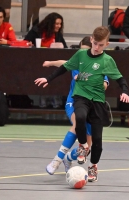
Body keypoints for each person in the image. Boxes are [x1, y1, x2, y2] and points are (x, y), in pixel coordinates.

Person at [35, 26, 129, 182]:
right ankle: (64, 156)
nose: (97, 48)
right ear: (92, 39)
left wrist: (124, 91)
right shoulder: (80, 56)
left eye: (101, 45)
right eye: (95, 44)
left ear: (106, 44)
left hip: (97, 102)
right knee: (79, 119)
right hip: (78, 99)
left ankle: (89, 164)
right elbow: (64, 65)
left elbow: (117, 79)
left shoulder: (106, 62)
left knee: (97, 141)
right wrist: (49, 75)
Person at [44, 36, 109, 176]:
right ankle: (57, 160)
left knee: (87, 148)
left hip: (92, 104)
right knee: (77, 124)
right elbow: (63, 63)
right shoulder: (77, 61)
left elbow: (104, 85)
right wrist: (50, 63)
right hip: (74, 102)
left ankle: (68, 159)